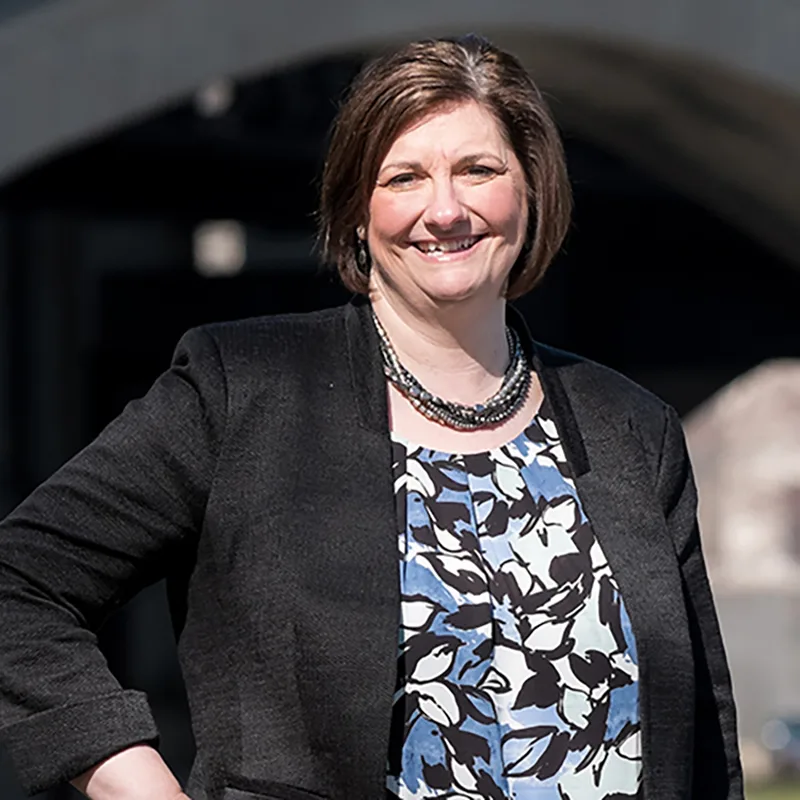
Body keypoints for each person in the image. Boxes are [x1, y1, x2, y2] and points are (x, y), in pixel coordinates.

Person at [0, 35, 742, 800]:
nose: (445, 208)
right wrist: (141, 787)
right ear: (358, 211)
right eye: (405, 177)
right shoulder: (244, 391)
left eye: (478, 170)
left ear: (531, 192)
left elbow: (704, 738)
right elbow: (17, 585)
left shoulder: (631, 426)